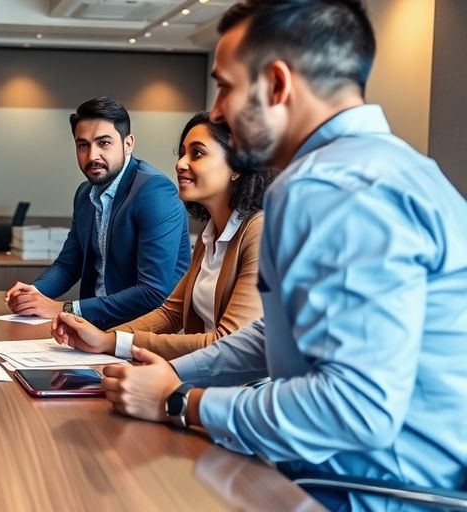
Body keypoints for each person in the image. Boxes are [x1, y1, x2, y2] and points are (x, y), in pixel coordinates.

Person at [99, 2, 467, 510]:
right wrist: (180, 377)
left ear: (276, 84)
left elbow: (355, 408)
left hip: (372, 494)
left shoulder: (330, 187)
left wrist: (181, 403)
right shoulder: (399, 168)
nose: (220, 112)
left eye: (225, 87)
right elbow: (274, 333)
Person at [51, 112, 276, 360]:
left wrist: (112, 343)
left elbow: (230, 344)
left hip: (245, 391)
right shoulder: (211, 233)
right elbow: (170, 313)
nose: (180, 164)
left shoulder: (260, 233)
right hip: (207, 377)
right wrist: (104, 339)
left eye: (197, 153)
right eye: (182, 153)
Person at [5, 97, 190, 329]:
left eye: (104, 143)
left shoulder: (154, 191)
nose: (92, 156)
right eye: (83, 145)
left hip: (142, 332)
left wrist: (65, 309)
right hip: (95, 326)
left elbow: (153, 292)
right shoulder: (85, 194)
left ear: (128, 144)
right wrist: (33, 293)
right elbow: (68, 265)